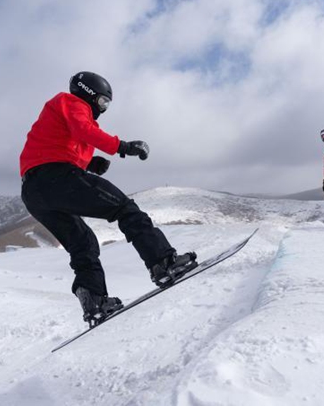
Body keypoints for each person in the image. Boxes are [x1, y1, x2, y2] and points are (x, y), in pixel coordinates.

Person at [19, 71, 197, 326]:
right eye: (103, 102)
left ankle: (94, 302)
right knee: (125, 209)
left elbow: (56, 144)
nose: (103, 108)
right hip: (55, 178)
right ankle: (163, 264)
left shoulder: (61, 113)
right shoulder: (71, 102)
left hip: (34, 192)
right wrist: (123, 147)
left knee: (83, 243)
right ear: (89, 94)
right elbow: (84, 129)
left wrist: (90, 162)